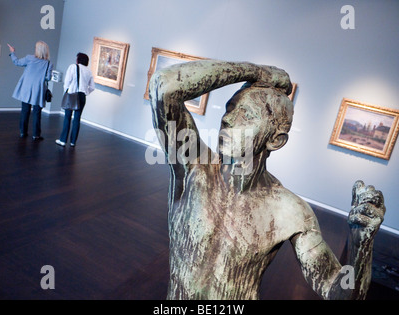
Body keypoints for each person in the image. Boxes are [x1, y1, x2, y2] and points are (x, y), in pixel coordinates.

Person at [148, 59, 386, 300]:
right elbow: (164, 86)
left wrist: (360, 246)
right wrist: (254, 72)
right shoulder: (194, 168)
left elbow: (337, 292)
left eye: (247, 116)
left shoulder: (290, 211)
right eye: (230, 109)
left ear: (276, 140)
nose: (228, 119)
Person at [8, 41, 53, 140]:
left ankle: (23, 132)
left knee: (25, 111)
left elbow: (17, 62)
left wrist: (12, 52)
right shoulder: (48, 63)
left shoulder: (29, 58)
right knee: (37, 112)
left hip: (26, 89)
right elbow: (48, 78)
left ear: (37, 49)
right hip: (39, 90)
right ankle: (36, 135)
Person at [56, 52, 95, 147]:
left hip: (72, 94)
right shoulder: (89, 71)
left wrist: (67, 91)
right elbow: (92, 87)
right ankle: (73, 142)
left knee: (67, 117)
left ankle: (63, 140)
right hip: (82, 96)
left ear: (78, 60)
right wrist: (85, 92)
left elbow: (67, 82)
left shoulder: (73, 67)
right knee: (77, 119)